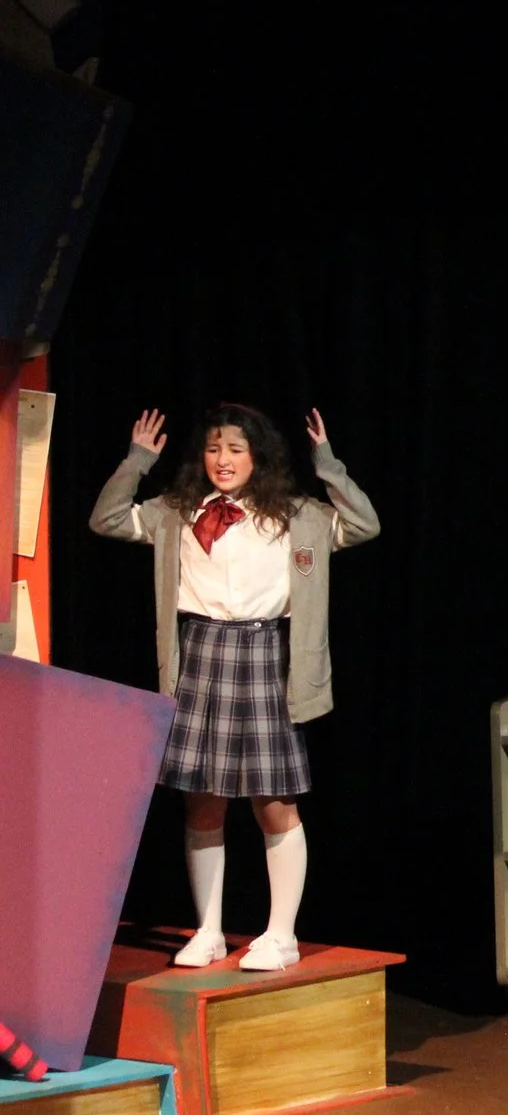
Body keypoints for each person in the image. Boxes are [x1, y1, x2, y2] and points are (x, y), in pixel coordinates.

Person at [89, 403, 380, 972]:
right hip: (200, 655)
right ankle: (209, 931)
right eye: (214, 448)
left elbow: (365, 523)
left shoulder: (297, 516)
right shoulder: (177, 513)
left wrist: (327, 462)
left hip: (267, 656)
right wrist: (137, 461)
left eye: (235, 449)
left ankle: (281, 934)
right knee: (202, 801)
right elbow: (107, 518)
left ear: (257, 457)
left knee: (274, 801)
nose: (222, 460)